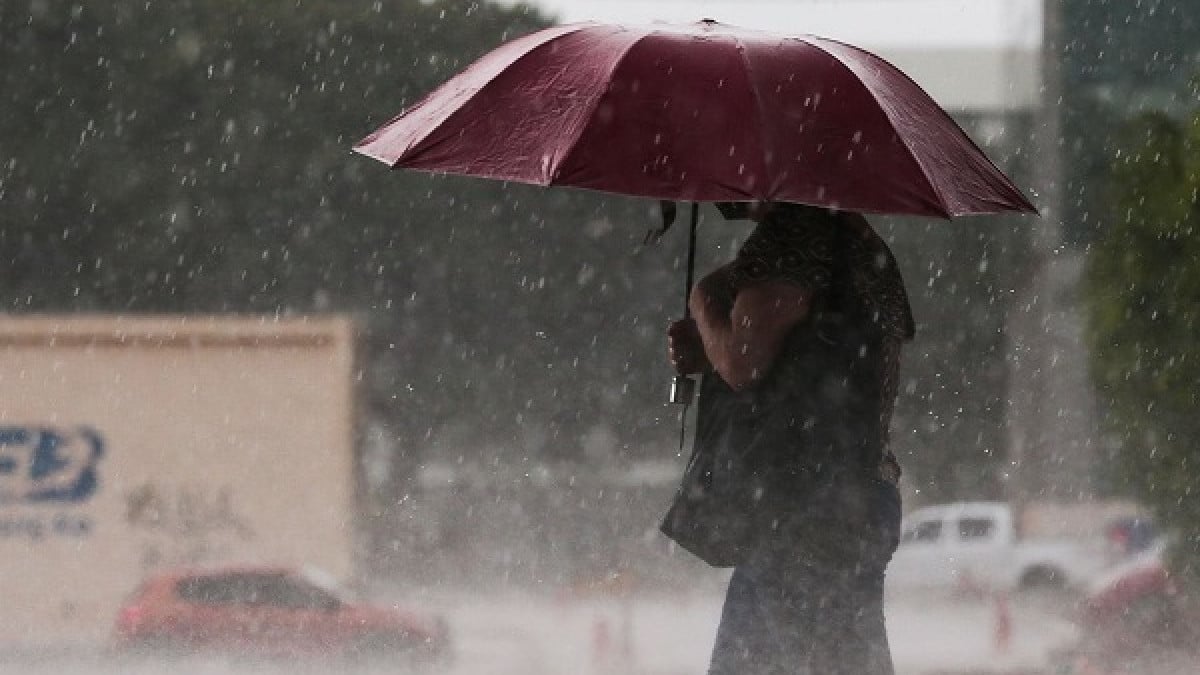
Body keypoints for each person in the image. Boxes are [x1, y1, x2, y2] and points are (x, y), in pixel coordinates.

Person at [664, 201, 915, 675]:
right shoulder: (859, 243)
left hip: (800, 508)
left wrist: (702, 303)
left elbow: (743, 360)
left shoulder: (795, 233)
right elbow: (800, 358)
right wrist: (712, 345)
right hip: (851, 496)